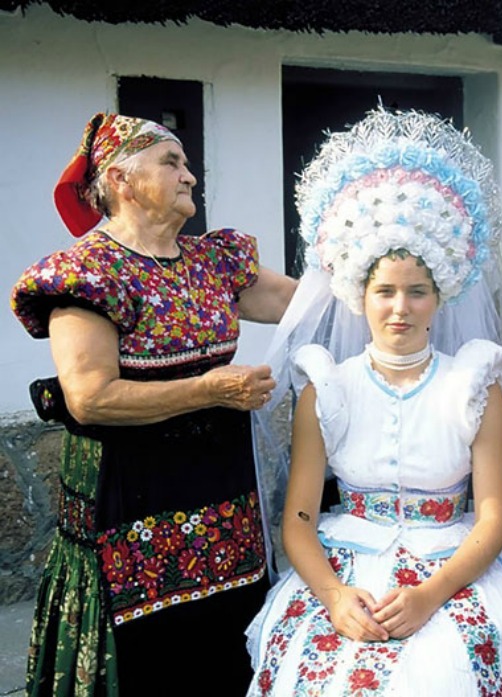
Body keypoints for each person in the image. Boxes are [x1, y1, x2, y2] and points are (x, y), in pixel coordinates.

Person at [245, 107, 502, 696]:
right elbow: (297, 521)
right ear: (358, 296)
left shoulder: (475, 385)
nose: (400, 308)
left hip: (452, 564)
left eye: (417, 292)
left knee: (449, 666)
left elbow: (493, 517)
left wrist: (429, 595)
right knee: (315, 667)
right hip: (345, 566)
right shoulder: (328, 386)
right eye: (384, 291)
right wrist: (335, 596)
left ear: (440, 297)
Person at [10, 113, 298, 696]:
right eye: (171, 162)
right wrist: (210, 389)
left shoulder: (212, 263)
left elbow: (310, 305)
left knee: (226, 638)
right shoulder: (87, 274)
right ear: (120, 178)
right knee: (152, 655)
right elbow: (90, 398)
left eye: (188, 163)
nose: (190, 175)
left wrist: (376, 261)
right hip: (131, 503)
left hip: (223, 498)